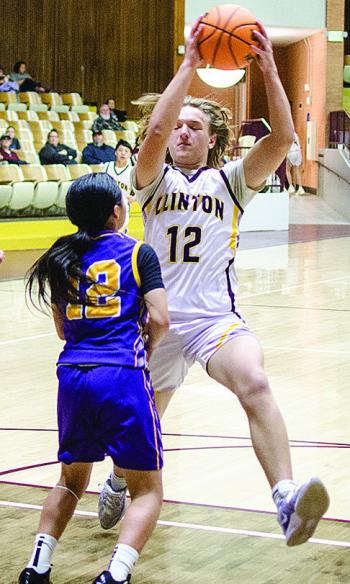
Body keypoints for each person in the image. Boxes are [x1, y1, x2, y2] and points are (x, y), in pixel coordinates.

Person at [99, 18, 329, 547]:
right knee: (145, 421)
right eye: (178, 125)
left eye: (195, 126)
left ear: (213, 138)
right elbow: (152, 132)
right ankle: (116, 476)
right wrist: (189, 66)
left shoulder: (232, 182)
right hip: (155, 321)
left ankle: (286, 501)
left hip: (213, 321)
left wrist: (270, 67)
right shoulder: (152, 181)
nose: (182, 131)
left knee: (256, 382)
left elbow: (284, 139)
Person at [19, 172, 169, 584]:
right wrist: (147, 348)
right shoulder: (139, 253)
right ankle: (115, 575)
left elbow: (62, 329)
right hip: (121, 373)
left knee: (70, 480)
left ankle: (37, 566)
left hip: (72, 375)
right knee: (147, 489)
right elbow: (160, 318)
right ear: (118, 212)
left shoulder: (59, 257)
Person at [105, 139, 135, 232]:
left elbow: (141, 190)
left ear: (130, 155)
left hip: (123, 205)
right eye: (120, 150)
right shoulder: (107, 166)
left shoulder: (133, 171)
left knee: (119, 232)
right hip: (107, 203)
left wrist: (134, 198)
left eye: (126, 151)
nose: (123, 153)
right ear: (115, 153)